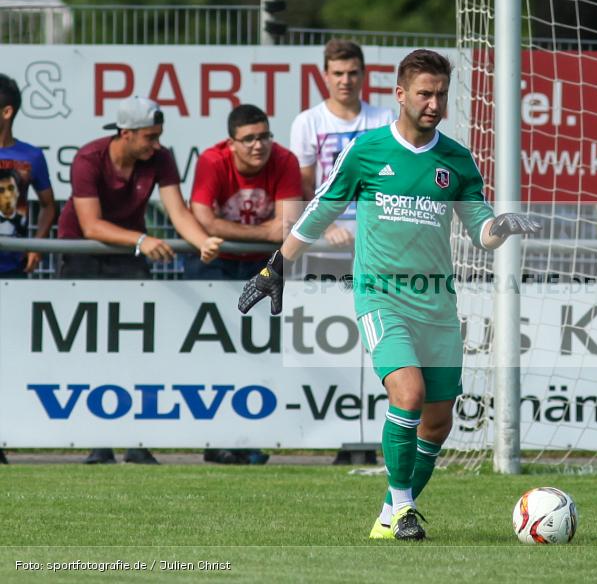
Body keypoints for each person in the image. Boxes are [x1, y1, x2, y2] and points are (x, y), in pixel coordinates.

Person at [239, 50, 541, 540]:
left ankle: (389, 514)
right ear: (400, 94)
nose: (433, 103)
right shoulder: (367, 150)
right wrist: (279, 265)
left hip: (437, 304)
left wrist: (501, 226)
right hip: (381, 295)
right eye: (424, 93)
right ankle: (404, 511)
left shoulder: (456, 160)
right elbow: (320, 209)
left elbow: (480, 230)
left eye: (441, 94)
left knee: (438, 423)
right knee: (409, 394)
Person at [57, 96, 223, 465]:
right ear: (126, 134)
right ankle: (98, 442)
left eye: (158, 136)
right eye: (149, 137)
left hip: (128, 257)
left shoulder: (159, 158)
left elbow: (177, 211)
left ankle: (137, 440)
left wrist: (202, 243)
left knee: (138, 351)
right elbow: (90, 225)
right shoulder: (89, 158)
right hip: (84, 256)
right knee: (89, 351)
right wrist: (141, 240)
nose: (156, 144)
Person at [187, 103, 303, 464]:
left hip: (263, 268)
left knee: (258, 357)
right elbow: (202, 219)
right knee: (213, 355)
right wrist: (261, 233)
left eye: (265, 135)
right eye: (249, 139)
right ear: (231, 142)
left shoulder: (285, 161)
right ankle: (214, 440)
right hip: (215, 264)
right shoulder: (212, 160)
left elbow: (287, 226)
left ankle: (250, 437)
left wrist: (234, 230)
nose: (259, 145)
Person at [289, 39, 393, 280]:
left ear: (363, 75)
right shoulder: (308, 121)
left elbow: (392, 182)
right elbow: (304, 186)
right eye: (337, 73)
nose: (345, 81)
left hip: (376, 248)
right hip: (324, 249)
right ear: (325, 76)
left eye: (352, 73)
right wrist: (328, 227)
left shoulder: (384, 119)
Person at [0, 74, 56, 278]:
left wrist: (37, 244)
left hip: (14, 268)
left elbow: (48, 205)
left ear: (7, 112)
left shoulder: (32, 156)